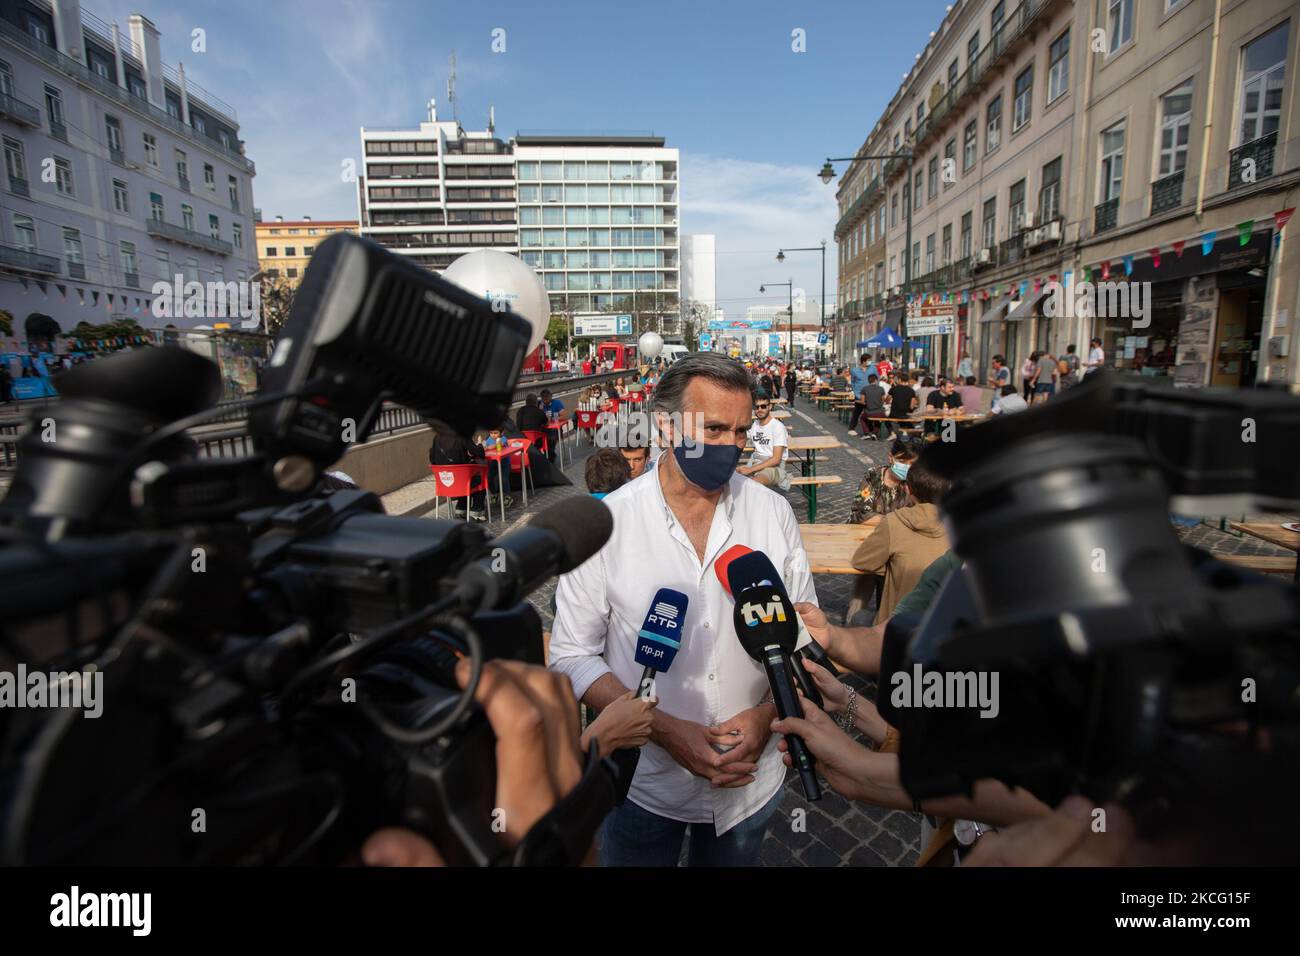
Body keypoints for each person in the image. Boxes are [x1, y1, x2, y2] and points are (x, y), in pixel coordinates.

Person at [549, 352, 817, 867]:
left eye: (740, 431)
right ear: (665, 425)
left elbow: (802, 634)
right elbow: (571, 654)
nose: (731, 447)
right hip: (643, 788)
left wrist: (767, 717)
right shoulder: (608, 524)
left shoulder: (772, 513)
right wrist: (667, 732)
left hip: (749, 784)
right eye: (713, 428)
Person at [850, 456, 951, 623]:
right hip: (941, 622)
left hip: (895, 623)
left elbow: (861, 561)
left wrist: (892, 564)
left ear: (909, 490)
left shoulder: (894, 522)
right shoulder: (957, 526)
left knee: (859, 618)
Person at [429, 429, 497, 521]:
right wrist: (480, 444)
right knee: (479, 478)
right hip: (462, 481)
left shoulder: (437, 437)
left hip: (444, 482)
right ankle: (477, 512)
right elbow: (480, 453)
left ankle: (461, 509)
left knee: (462, 476)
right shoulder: (462, 436)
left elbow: (432, 458)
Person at [848, 438, 918, 524]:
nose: (907, 467)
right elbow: (860, 514)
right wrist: (896, 520)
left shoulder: (914, 481)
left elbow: (919, 515)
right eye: (902, 462)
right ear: (890, 458)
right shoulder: (873, 476)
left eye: (912, 464)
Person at [738, 394, 789, 490]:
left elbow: (776, 459)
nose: (759, 409)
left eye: (763, 406)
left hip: (774, 467)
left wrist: (750, 469)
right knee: (731, 478)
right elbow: (742, 437)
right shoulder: (755, 425)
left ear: (770, 407)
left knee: (753, 485)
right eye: (756, 407)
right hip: (756, 463)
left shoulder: (777, 427)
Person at [856, 373, 888, 440]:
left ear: (868, 381)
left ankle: (867, 433)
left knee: (862, 418)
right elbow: (883, 400)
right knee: (880, 419)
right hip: (880, 412)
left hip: (869, 412)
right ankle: (874, 433)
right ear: (876, 380)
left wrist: (856, 401)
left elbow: (862, 402)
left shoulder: (864, 389)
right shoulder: (881, 389)